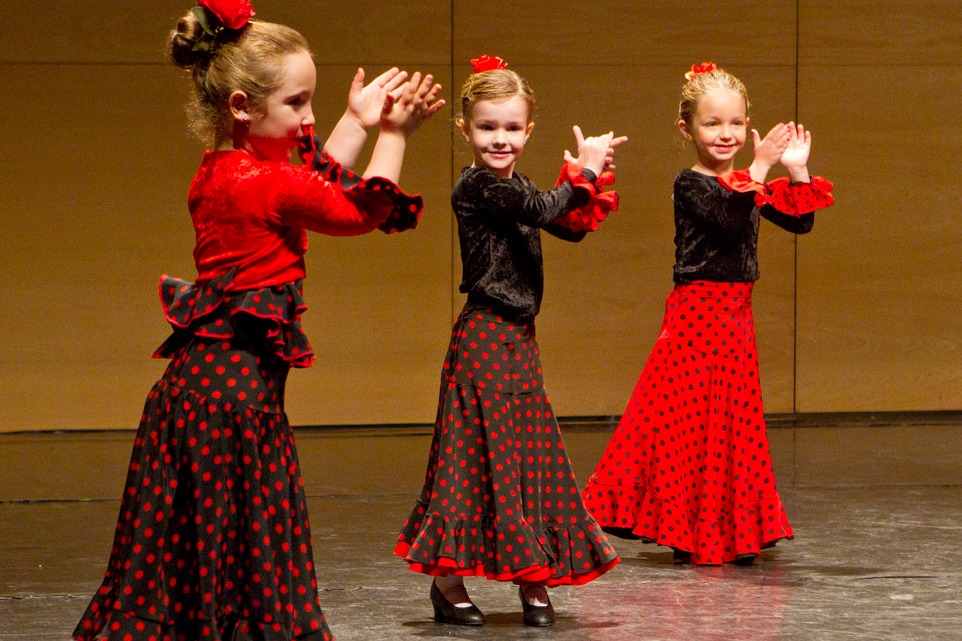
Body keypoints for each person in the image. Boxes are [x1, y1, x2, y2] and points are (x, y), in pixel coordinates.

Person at [73, 1, 443, 639]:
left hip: (197, 398)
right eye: (298, 104)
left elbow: (301, 182)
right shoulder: (263, 185)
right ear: (242, 105)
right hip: (233, 406)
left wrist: (356, 120)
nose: (311, 117)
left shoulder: (222, 171)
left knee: (191, 551)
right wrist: (394, 135)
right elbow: (357, 212)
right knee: (248, 545)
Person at [394, 55, 624, 627]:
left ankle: (532, 576)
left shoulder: (517, 184)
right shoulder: (476, 185)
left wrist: (586, 183)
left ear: (529, 131)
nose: (501, 139)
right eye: (488, 127)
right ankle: (448, 581)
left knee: (529, 460)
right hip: (484, 338)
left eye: (513, 128)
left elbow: (560, 223)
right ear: (466, 129)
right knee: (473, 461)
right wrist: (583, 175)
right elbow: (546, 207)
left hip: (519, 340)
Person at [581, 62, 834, 566]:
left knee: (732, 422)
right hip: (696, 314)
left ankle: (729, 528)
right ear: (687, 129)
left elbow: (800, 221)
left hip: (736, 315)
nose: (727, 134)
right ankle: (684, 525)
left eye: (736, 123)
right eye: (713, 123)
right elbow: (727, 214)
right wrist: (759, 168)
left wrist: (796, 169)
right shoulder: (690, 183)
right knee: (686, 421)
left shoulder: (746, 181)